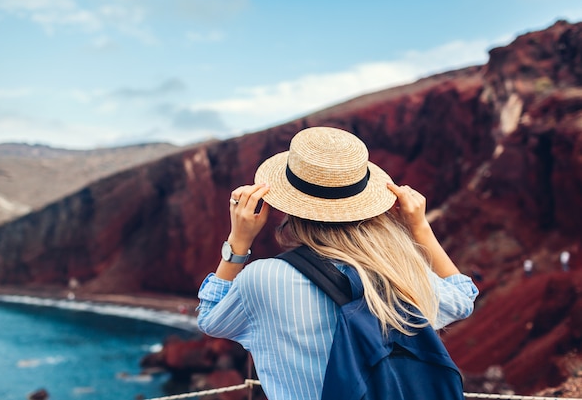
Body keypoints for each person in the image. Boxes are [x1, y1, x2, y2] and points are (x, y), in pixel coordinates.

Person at [197, 127, 479, 400]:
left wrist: (238, 242)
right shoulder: (402, 271)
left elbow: (210, 318)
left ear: (289, 205)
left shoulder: (262, 279)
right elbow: (463, 297)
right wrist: (419, 227)